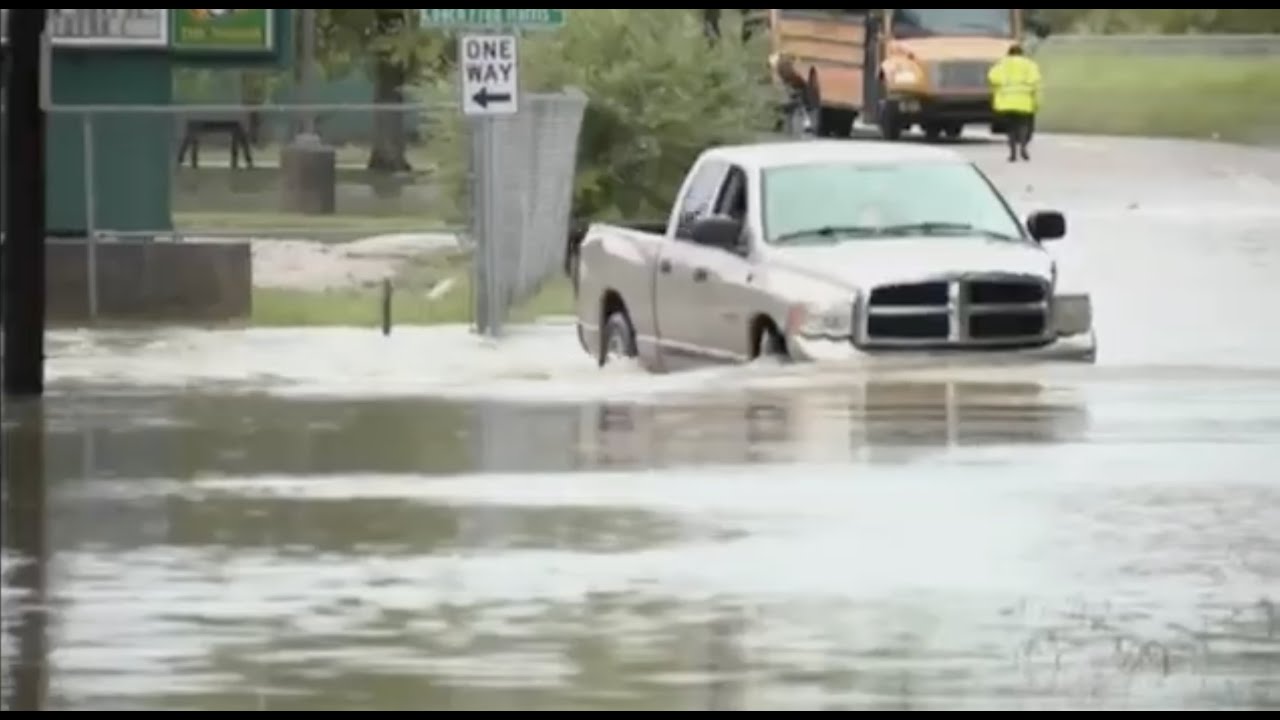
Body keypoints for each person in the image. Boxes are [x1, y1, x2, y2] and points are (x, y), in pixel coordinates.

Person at [988, 44, 1042, 162]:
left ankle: (1012, 153)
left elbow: (992, 78)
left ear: (1009, 53)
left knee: (1010, 128)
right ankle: (1023, 146)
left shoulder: (1002, 64)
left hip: (1006, 101)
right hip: (1024, 101)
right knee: (1023, 126)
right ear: (1022, 53)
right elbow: (1036, 82)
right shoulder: (1030, 65)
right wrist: (1037, 102)